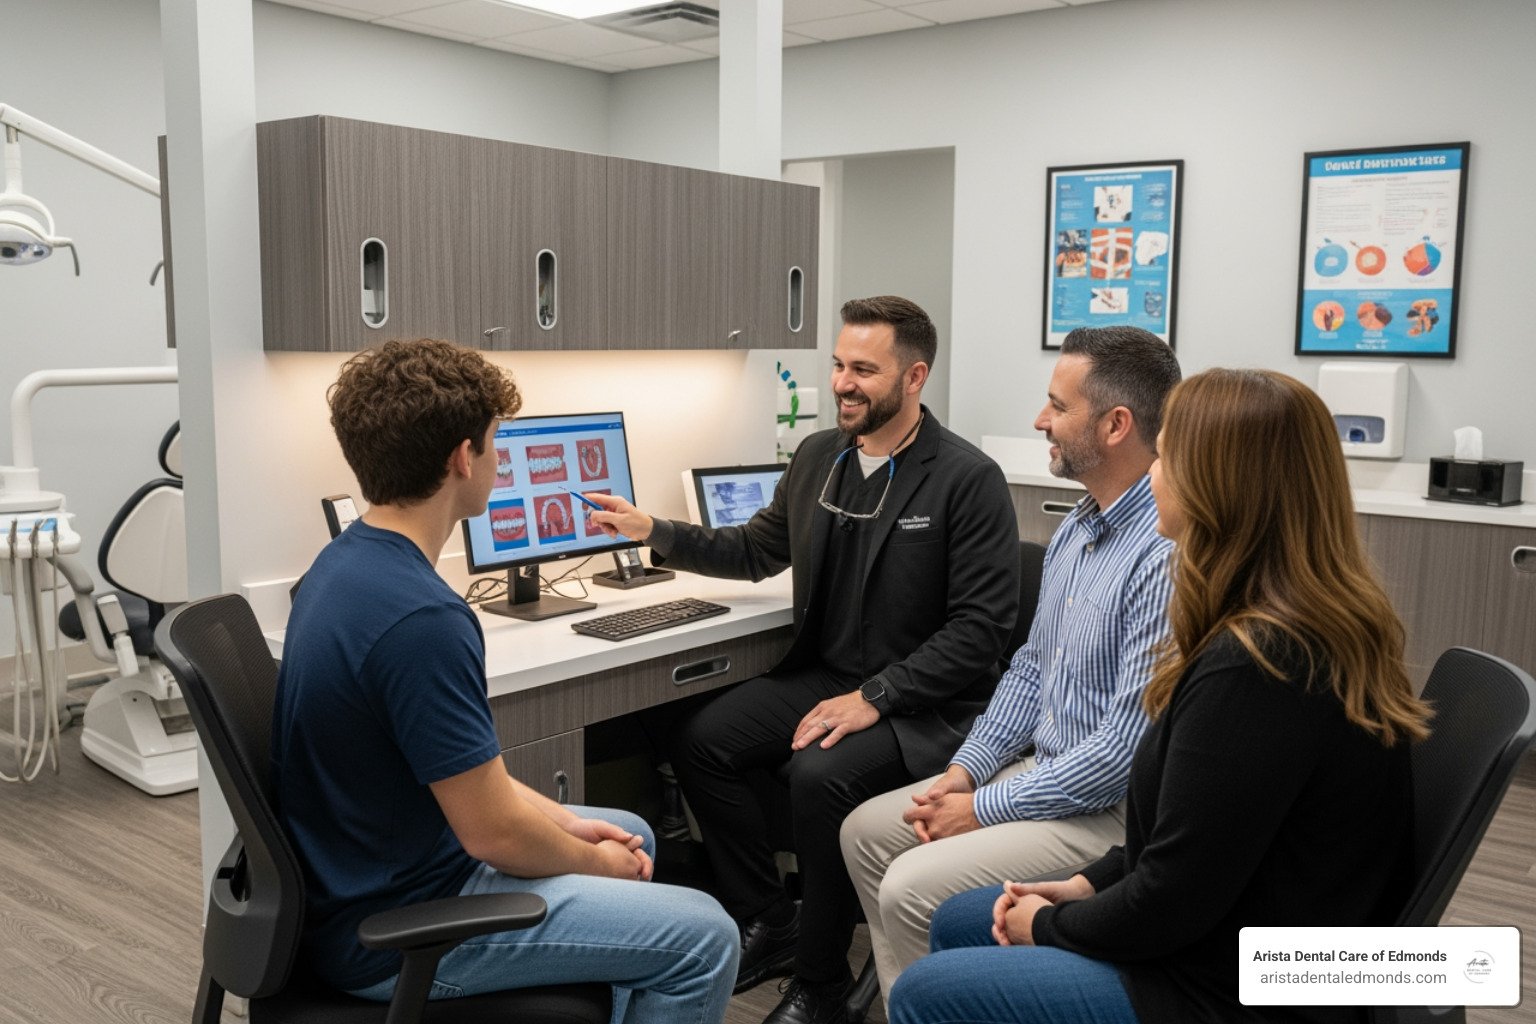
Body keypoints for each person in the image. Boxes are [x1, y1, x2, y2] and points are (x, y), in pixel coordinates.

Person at [887, 368, 1432, 1024]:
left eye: (1168, 456)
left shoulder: (1261, 666)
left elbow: (1172, 899)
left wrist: (1055, 924)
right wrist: (1088, 884)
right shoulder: (1294, 621)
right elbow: (1192, 838)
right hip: (1243, 931)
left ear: (1219, 487)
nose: (1151, 474)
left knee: (928, 991)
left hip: (1235, 987)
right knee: (963, 916)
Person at [273, 339, 738, 1024]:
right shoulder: (422, 620)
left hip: (368, 875)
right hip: (399, 929)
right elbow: (493, 835)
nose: (499, 458)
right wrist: (595, 865)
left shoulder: (341, 566)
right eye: (496, 442)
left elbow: (469, 779)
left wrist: (571, 824)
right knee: (706, 937)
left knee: (627, 827)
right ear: (464, 457)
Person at [588, 296, 1020, 1024]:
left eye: (864, 370)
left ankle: (820, 984)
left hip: (924, 704)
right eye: (838, 366)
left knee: (819, 776)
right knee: (702, 741)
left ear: (914, 378)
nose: (843, 384)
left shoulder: (966, 480)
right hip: (827, 676)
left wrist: (875, 697)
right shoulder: (821, 457)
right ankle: (770, 914)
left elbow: (980, 631)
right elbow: (756, 550)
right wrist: (653, 529)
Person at [839, 325, 1182, 1001]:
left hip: (1109, 809)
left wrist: (984, 807)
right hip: (1047, 772)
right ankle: (932, 1001)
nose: (1040, 420)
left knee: (911, 884)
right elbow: (1028, 670)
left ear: (1115, 425)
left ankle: (949, 1001)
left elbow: (1120, 757)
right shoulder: (1081, 526)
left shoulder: (1163, 552)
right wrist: (964, 771)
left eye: (1057, 405)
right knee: (865, 835)